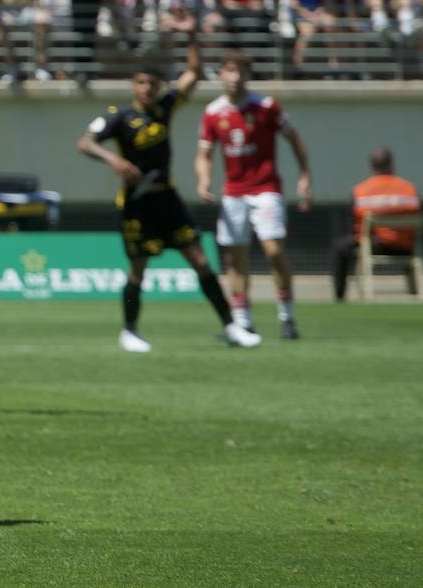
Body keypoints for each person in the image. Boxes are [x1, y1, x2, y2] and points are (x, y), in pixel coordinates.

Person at [77, 33, 261, 352]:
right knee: (138, 267)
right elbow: (84, 142)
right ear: (133, 86)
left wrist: (191, 35)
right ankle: (130, 331)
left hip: (167, 198)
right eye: (141, 82)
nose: (147, 88)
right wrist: (114, 160)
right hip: (136, 203)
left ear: (159, 85)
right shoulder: (119, 116)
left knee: (201, 260)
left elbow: (193, 73)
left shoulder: (164, 108)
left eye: (152, 83)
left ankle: (232, 327)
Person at [195, 52, 313, 340]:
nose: (235, 77)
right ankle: (242, 321)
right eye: (230, 70)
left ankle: (287, 316)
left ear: (249, 75)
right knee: (237, 259)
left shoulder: (266, 107)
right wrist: (204, 180)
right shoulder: (213, 112)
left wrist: (305, 175)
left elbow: (294, 138)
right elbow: (204, 154)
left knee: (273, 251)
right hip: (233, 194)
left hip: (265, 189)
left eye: (241, 71)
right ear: (221, 74)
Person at [332, 147, 420, 301]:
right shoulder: (410, 189)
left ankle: (340, 296)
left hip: (374, 246)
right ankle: (414, 290)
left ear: (372, 166)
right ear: (392, 164)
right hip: (406, 248)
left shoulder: (361, 191)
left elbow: (356, 226)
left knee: (340, 247)